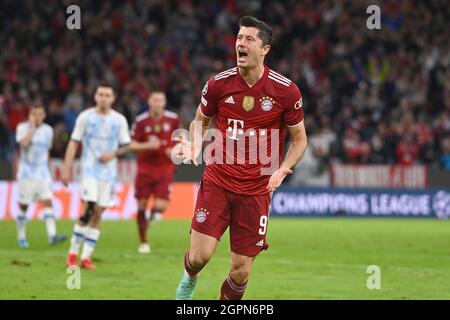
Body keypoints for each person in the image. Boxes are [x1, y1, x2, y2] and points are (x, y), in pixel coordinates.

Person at [174, 16, 308, 300]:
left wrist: (283, 168)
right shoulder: (218, 84)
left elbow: (299, 140)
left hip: (257, 190)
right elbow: (200, 121)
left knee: (240, 271)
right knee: (199, 256)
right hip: (218, 181)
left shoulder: (286, 91)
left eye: (249, 39)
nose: (240, 44)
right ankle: (188, 280)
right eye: (238, 38)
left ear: (265, 49)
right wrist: (194, 145)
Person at [62, 83, 153, 270]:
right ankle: (72, 253)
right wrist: (67, 168)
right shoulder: (85, 117)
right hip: (89, 171)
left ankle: (86, 256)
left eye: (107, 95)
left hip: (109, 175)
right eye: (100, 94)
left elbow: (125, 144)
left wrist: (113, 154)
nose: (103, 98)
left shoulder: (119, 120)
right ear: (95, 96)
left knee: (98, 213)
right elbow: (73, 143)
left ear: (113, 98)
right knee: (89, 210)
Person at [99, 89, 181, 254]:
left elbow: (180, 141)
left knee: (161, 205)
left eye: (160, 100)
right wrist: (147, 146)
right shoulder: (141, 121)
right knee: (142, 205)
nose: (157, 103)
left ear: (164, 103)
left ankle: (151, 217)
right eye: (155, 100)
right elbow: (131, 144)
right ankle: (143, 241)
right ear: (149, 102)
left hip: (165, 169)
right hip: (145, 169)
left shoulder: (173, 119)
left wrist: (173, 150)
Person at [15, 102, 67, 248]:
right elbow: (24, 144)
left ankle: (52, 236)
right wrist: (31, 128)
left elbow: (47, 151)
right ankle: (21, 237)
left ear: (44, 115)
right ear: (29, 115)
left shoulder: (48, 130)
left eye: (40, 114)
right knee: (24, 205)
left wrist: (47, 167)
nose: (37, 117)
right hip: (26, 173)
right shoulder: (22, 128)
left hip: (42, 173)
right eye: (34, 114)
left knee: (48, 201)